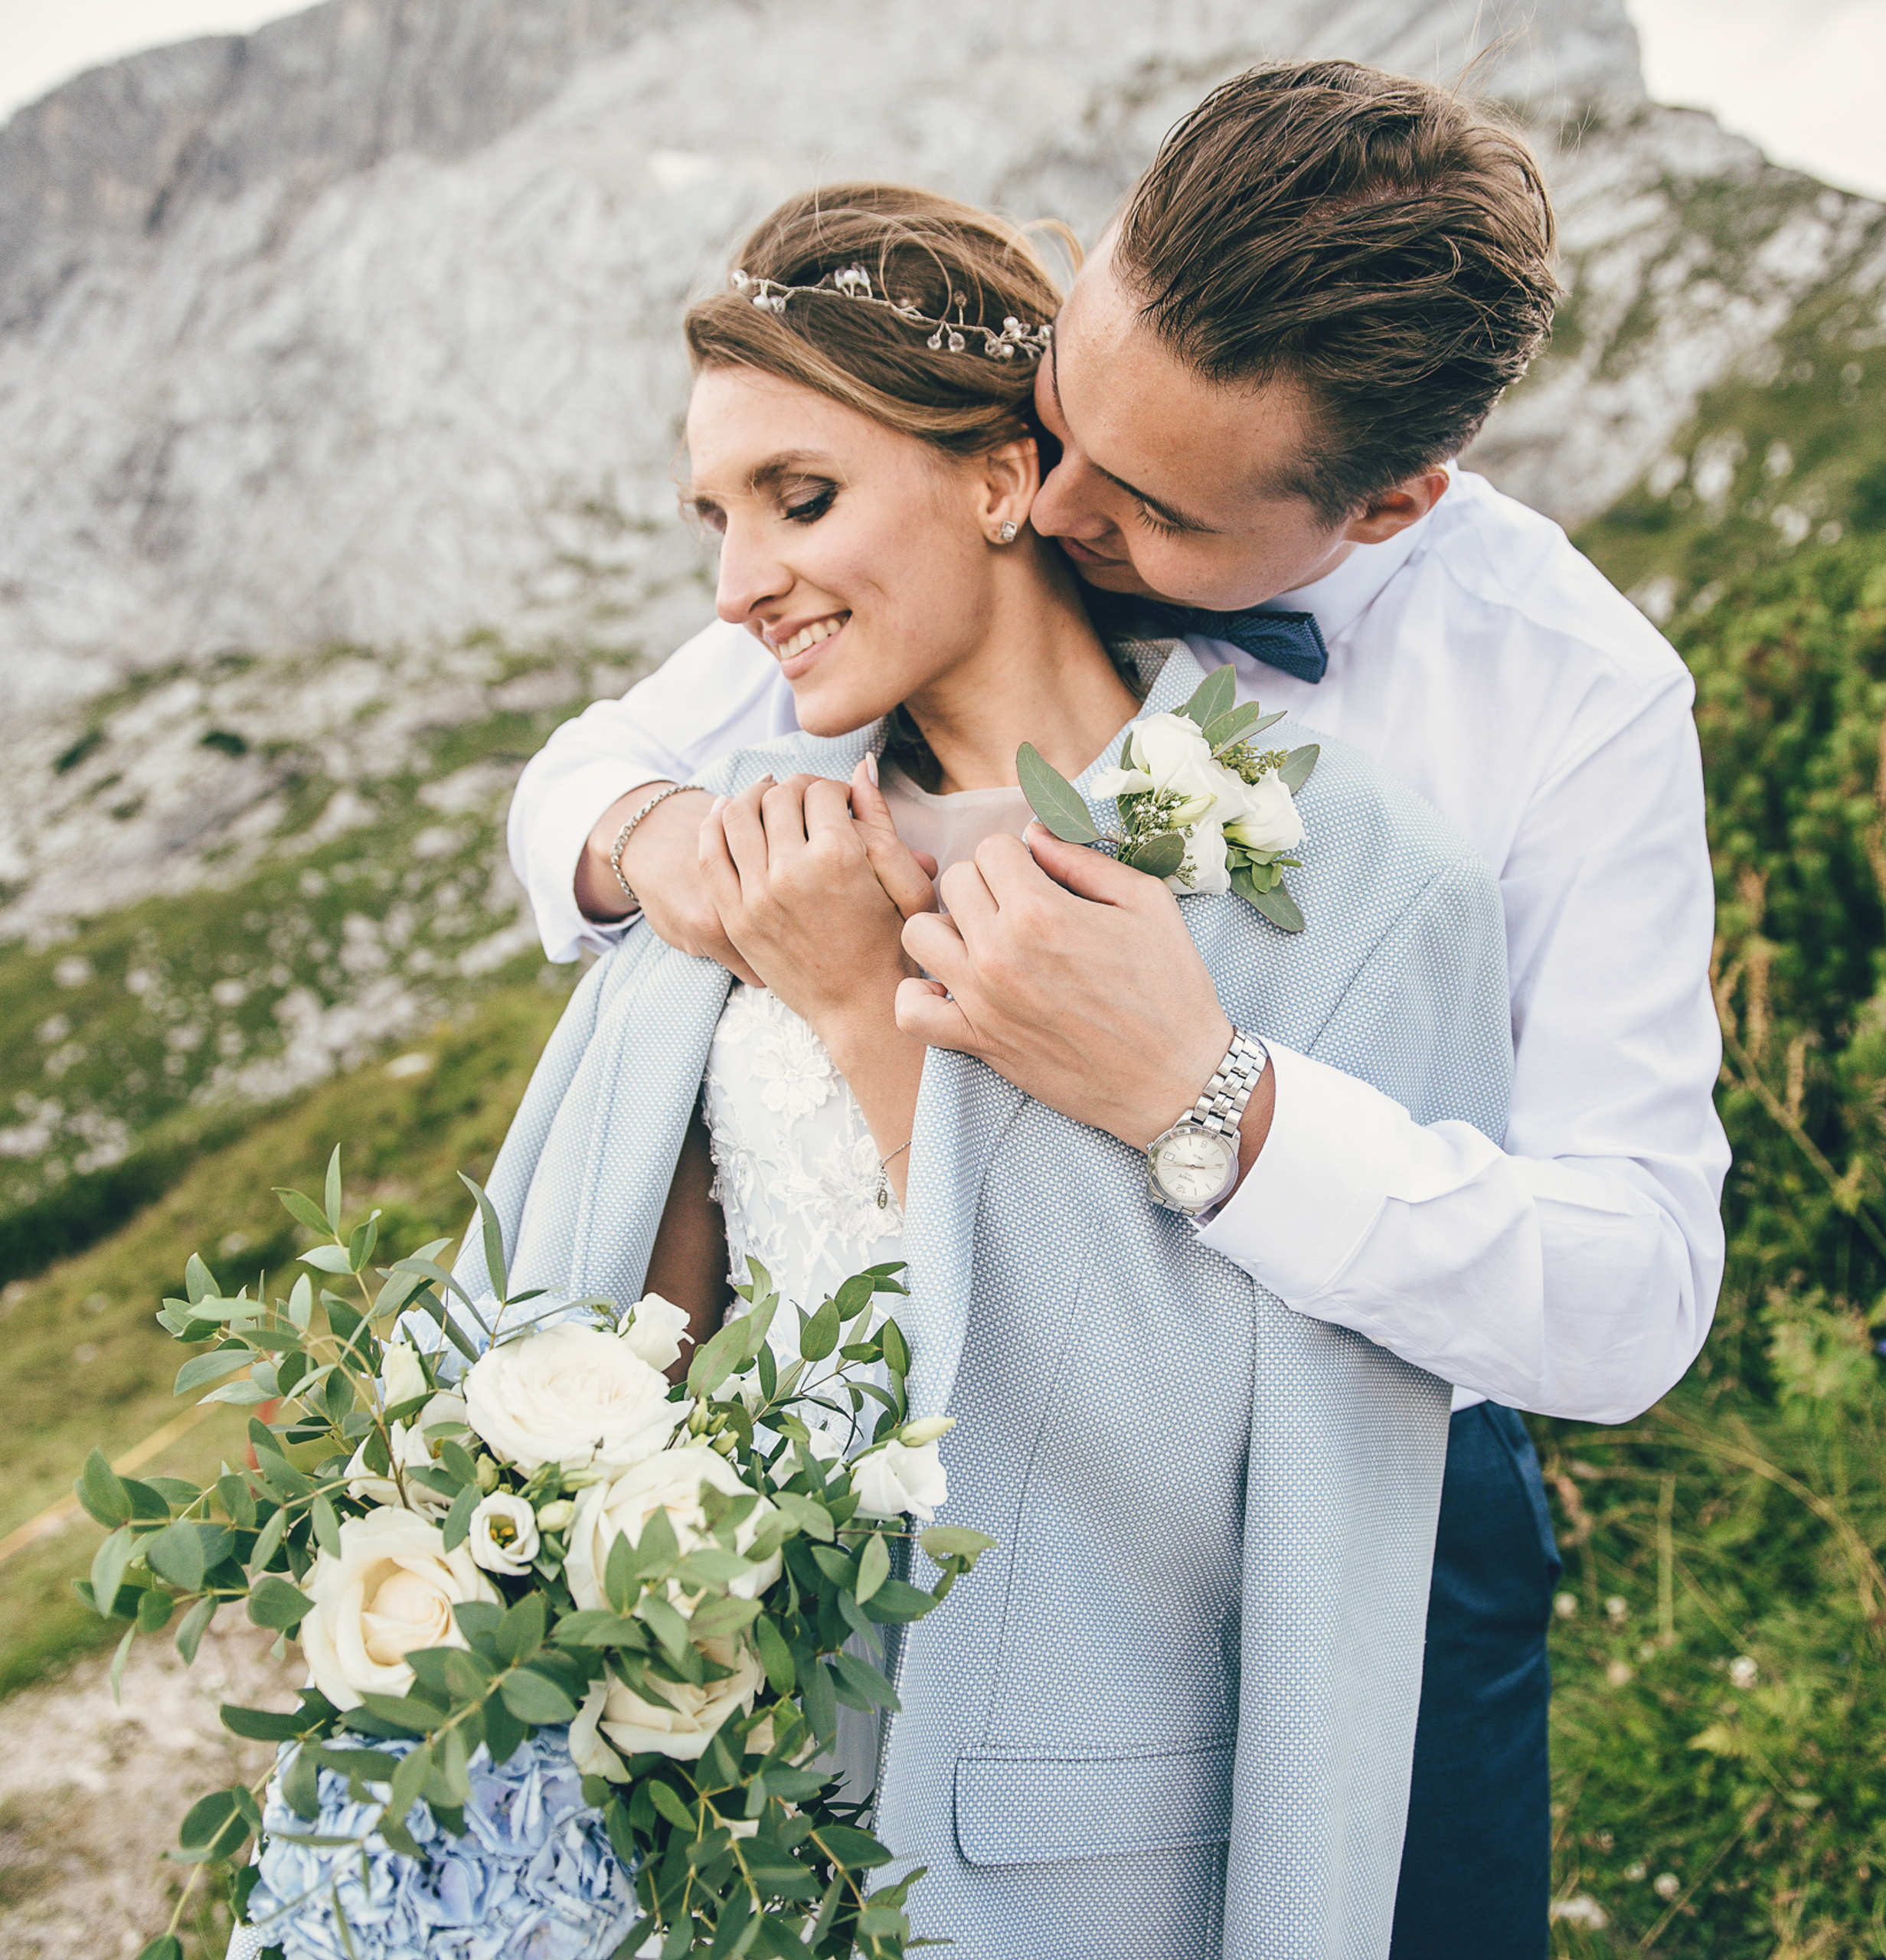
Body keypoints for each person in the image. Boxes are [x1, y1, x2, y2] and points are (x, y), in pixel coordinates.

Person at [508, 63, 1729, 1958]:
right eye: (1062, 409)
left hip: (1385, 1485)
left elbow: (1631, 1285)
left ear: (1385, 500)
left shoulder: (1568, 702)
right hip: (934, 1519)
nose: (1061, 504)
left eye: (1149, 504)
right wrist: (677, 843)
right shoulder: (984, 528)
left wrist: (1210, 1099)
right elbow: (590, 777)